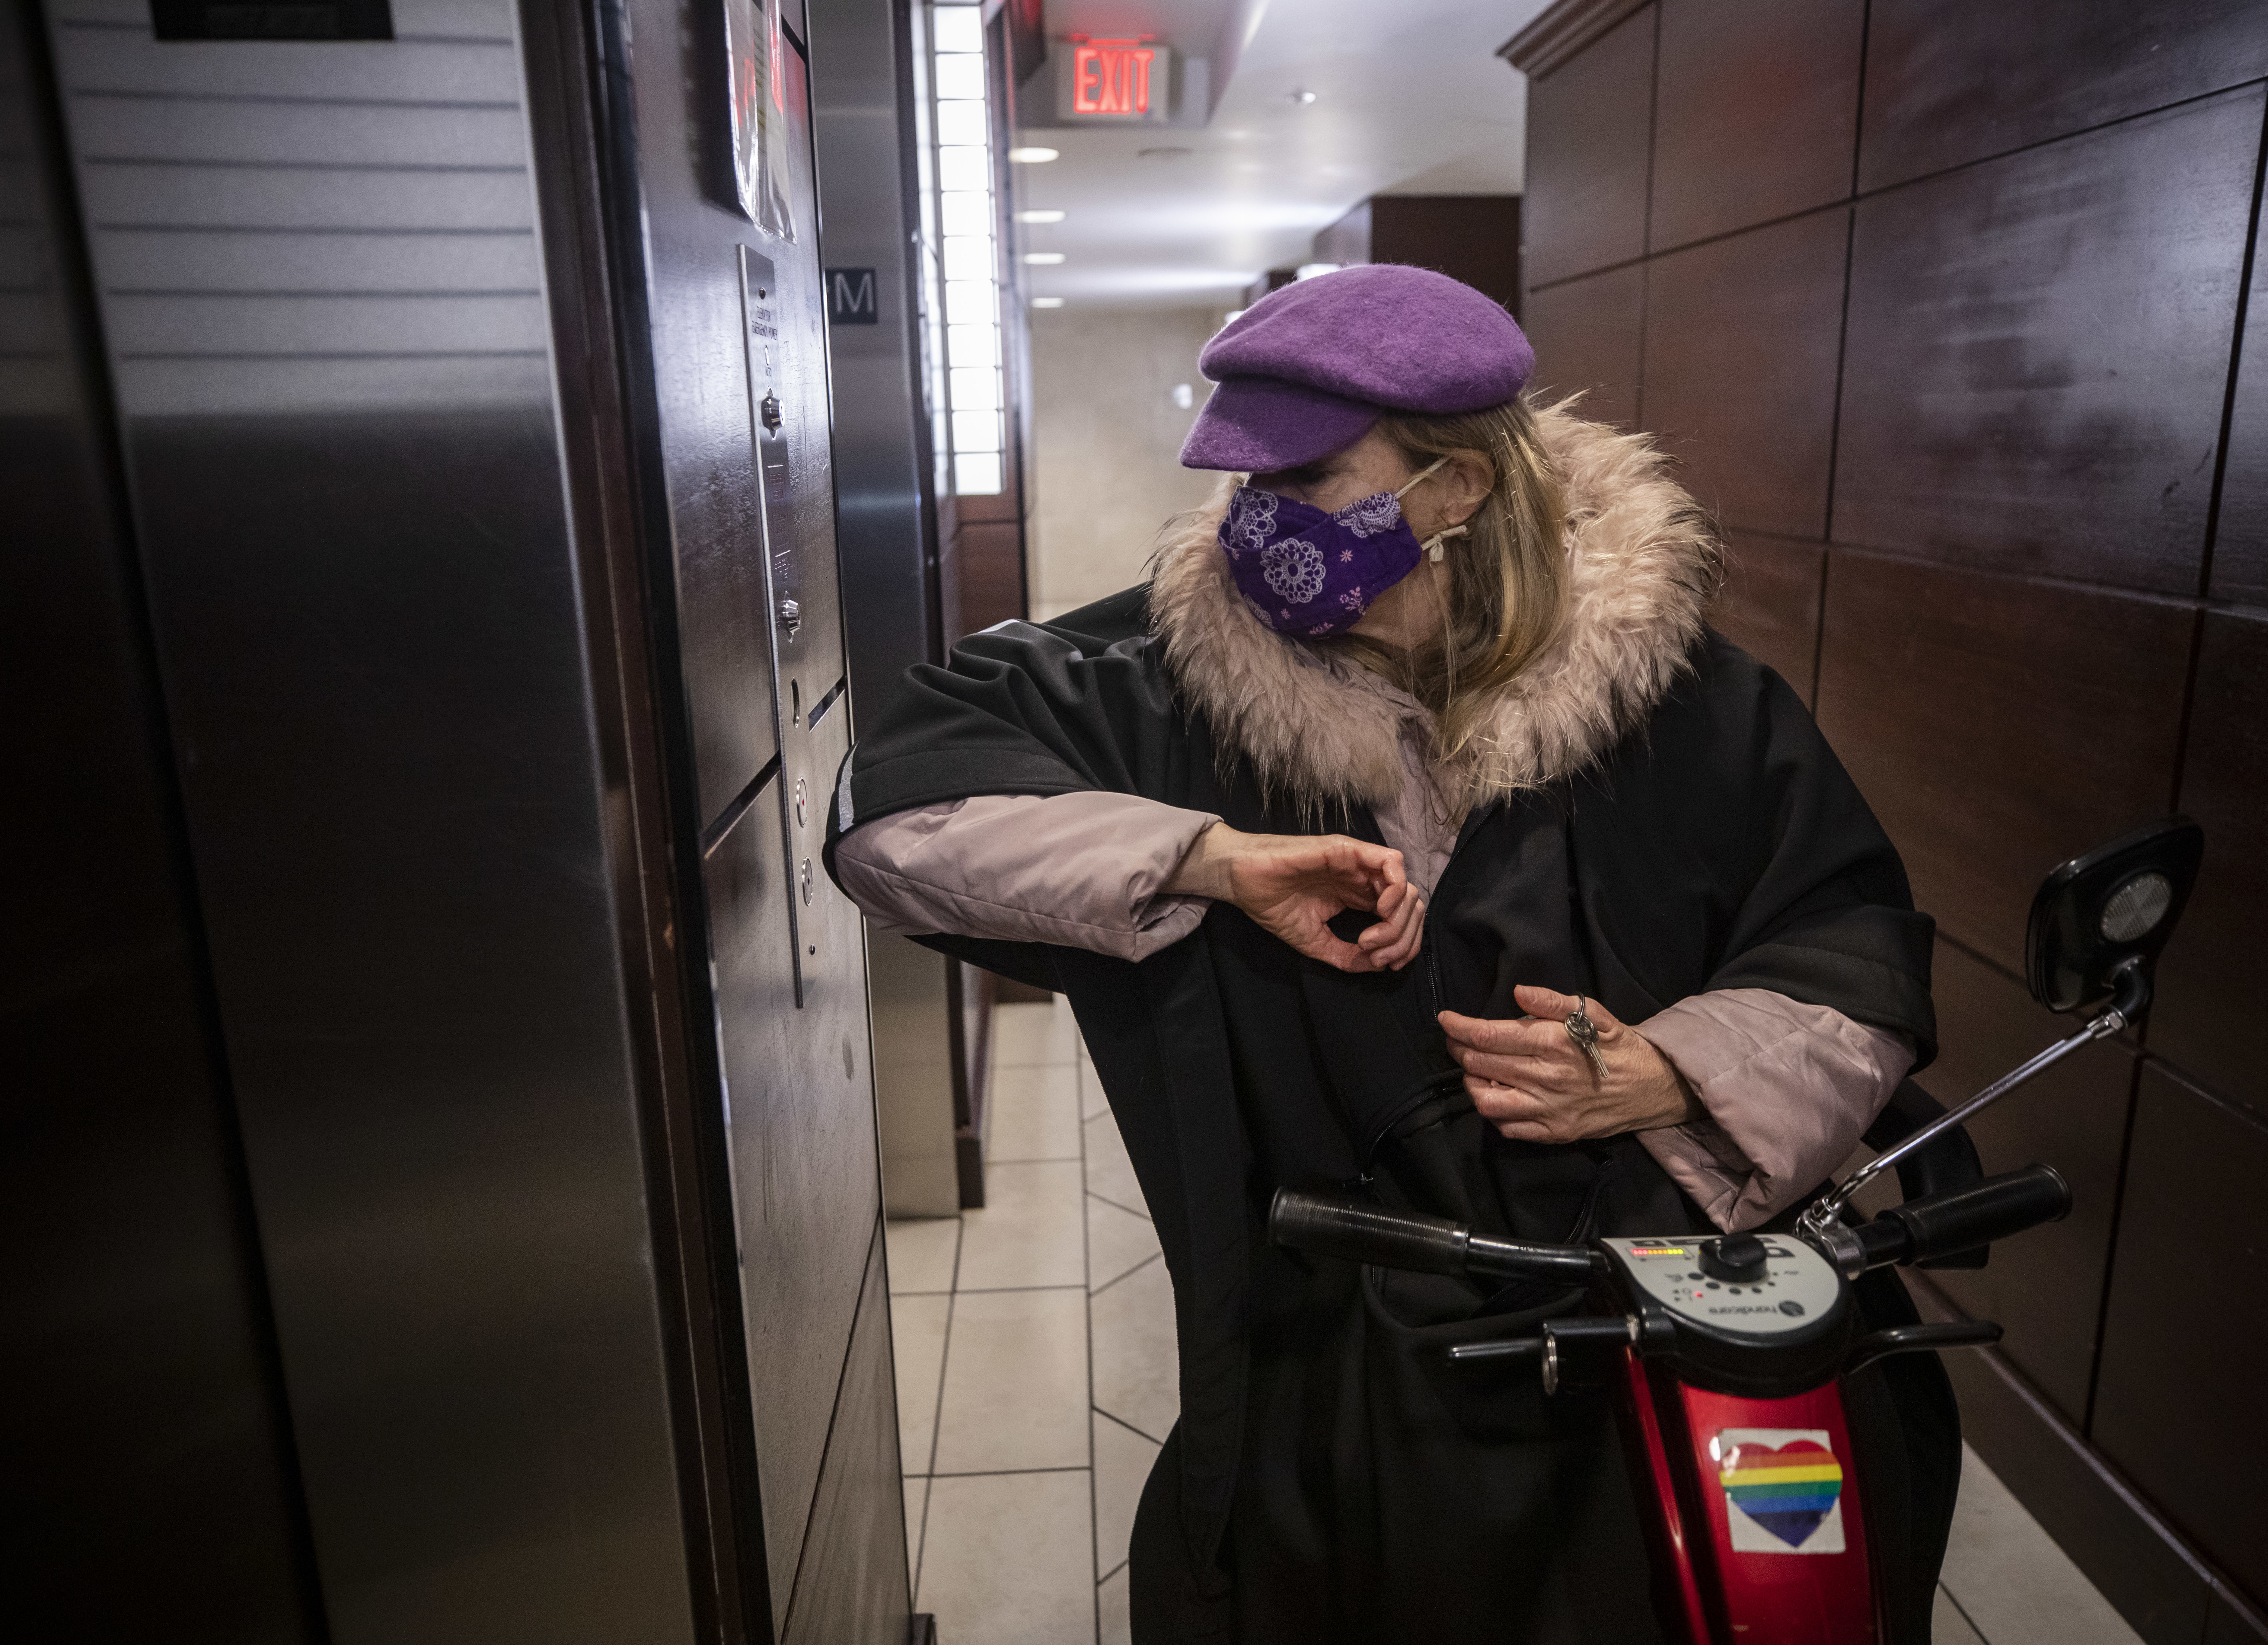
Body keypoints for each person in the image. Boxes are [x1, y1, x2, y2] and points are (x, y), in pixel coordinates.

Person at [827, 265, 1957, 1644]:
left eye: (1305, 478)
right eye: (1245, 486)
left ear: (1460, 487)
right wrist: (1209, 857)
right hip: (1339, 1364)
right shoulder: (1168, 685)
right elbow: (898, 817)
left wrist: (1671, 1070)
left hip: (1644, 1345)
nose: (1261, 526)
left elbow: (1850, 949)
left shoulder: (1699, 710)